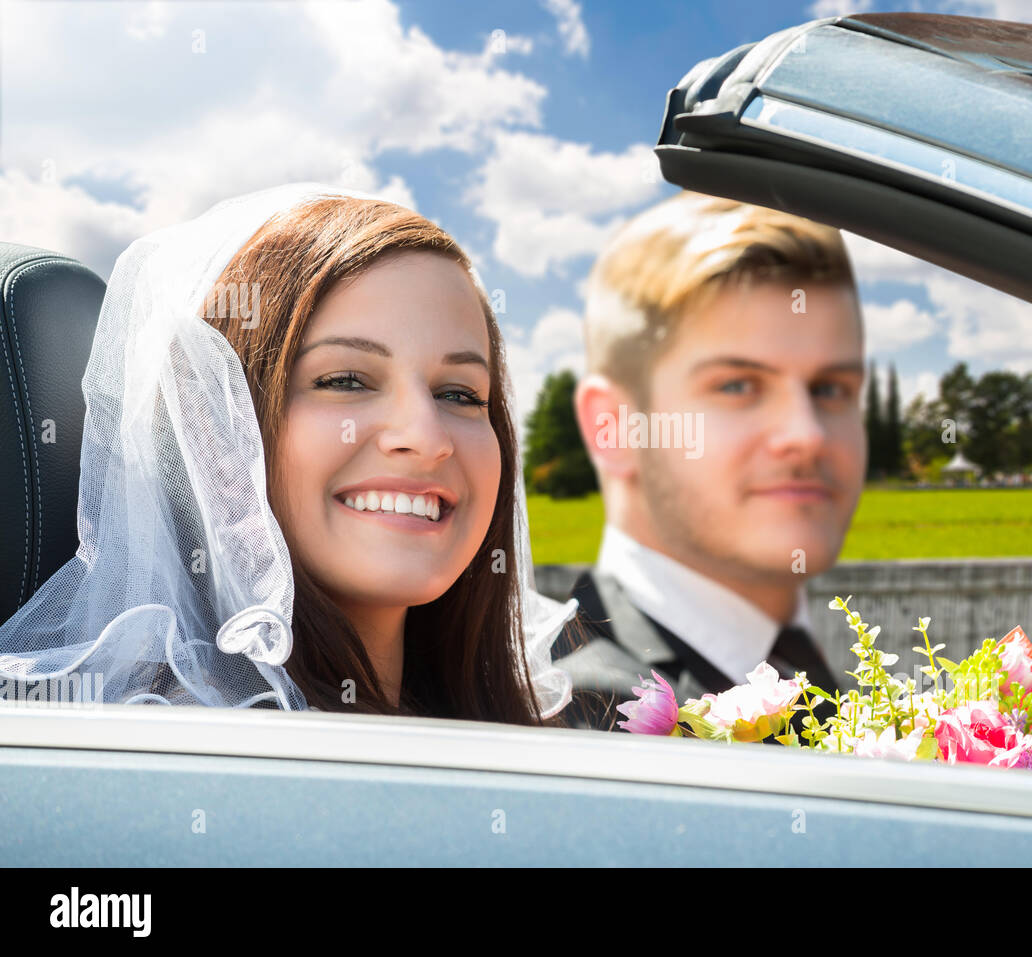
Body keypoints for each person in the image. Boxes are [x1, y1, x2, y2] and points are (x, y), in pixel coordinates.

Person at [0, 183, 575, 722]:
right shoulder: (183, 764)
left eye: (460, 394)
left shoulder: (506, 729)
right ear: (215, 436)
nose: (426, 436)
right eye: (346, 380)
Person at [555, 191, 867, 731]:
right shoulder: (584, 718)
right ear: (614, 427)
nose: (808, 435)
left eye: (832, 388)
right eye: (738, 385)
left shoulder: (788, 653)